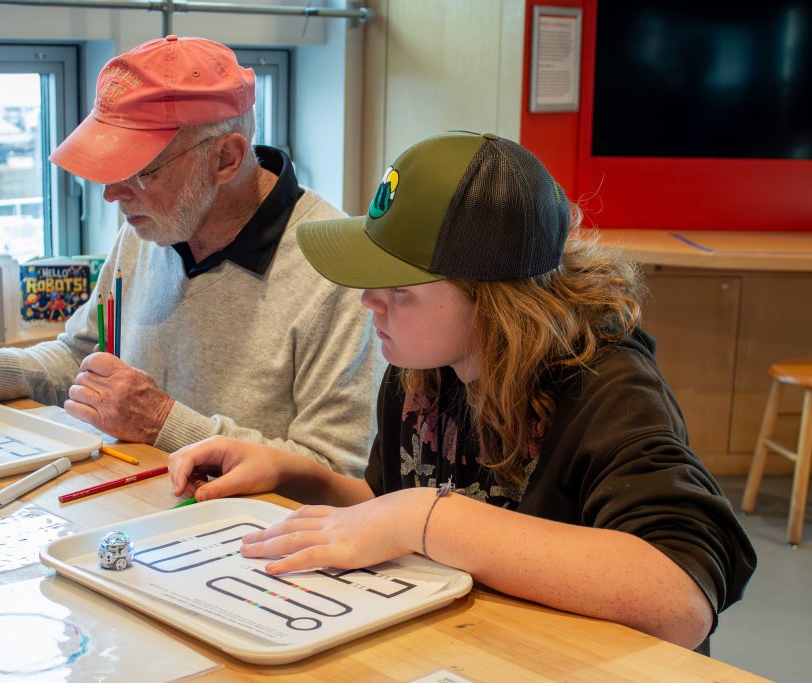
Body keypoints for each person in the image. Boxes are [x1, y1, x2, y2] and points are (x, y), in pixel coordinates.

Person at [168, 131, 756, 651]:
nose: (369, 301)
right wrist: (291, 473)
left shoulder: (608, 385)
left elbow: (680, 599)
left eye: (399, 288)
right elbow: (387, 503)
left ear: (493, 300)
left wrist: (429, 519)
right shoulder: (424, 364)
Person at [0, 36, 379, 475]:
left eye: (139, 171)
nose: (112, 194)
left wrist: (162, 423)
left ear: (226, 160)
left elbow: (337, 472)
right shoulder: (151, 228)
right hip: (131, 512)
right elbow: (83, 360)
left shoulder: (334, 271)